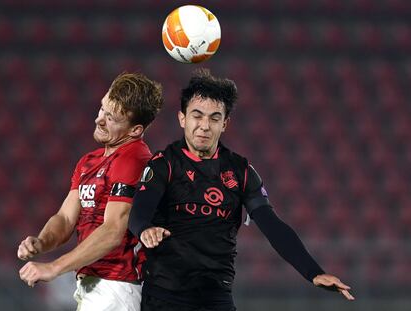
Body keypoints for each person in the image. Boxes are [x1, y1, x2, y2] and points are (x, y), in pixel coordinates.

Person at [128, 68, 354, 311]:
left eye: (214, 118)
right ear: (182, 118)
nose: (204, 126)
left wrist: (313, 272)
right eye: (197, 116)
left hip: (216, 298)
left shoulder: (240, 171)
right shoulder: (165, 164)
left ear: (225, 123)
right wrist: (145, 229)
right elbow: (138, 212)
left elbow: (272, 225)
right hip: (164, 296)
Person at [18, 72, 164, 311]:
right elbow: (66, 218)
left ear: (136, 130)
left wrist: (53, 267)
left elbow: (113, 230)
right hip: (95, 285)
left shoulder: (133, 158)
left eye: (112, 118)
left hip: (117, 286)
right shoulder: (90, 161)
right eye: (102, 110)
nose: (99, 120)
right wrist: (42, 242)